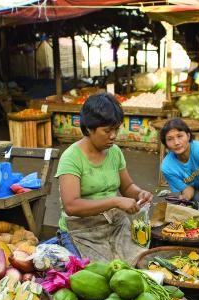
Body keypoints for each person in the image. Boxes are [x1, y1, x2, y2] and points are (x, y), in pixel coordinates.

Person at [54, 93, 153, 262]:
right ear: (89, 129)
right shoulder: (71, 158)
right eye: (107, 130)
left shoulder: (114, 152)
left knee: (141, 262)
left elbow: (127, 187)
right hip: (81, 231)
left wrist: (139, 194)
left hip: (114, 225)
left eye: (116, 129)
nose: (113, 135)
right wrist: (115, 202)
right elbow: (71, 206)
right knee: (102, 276)